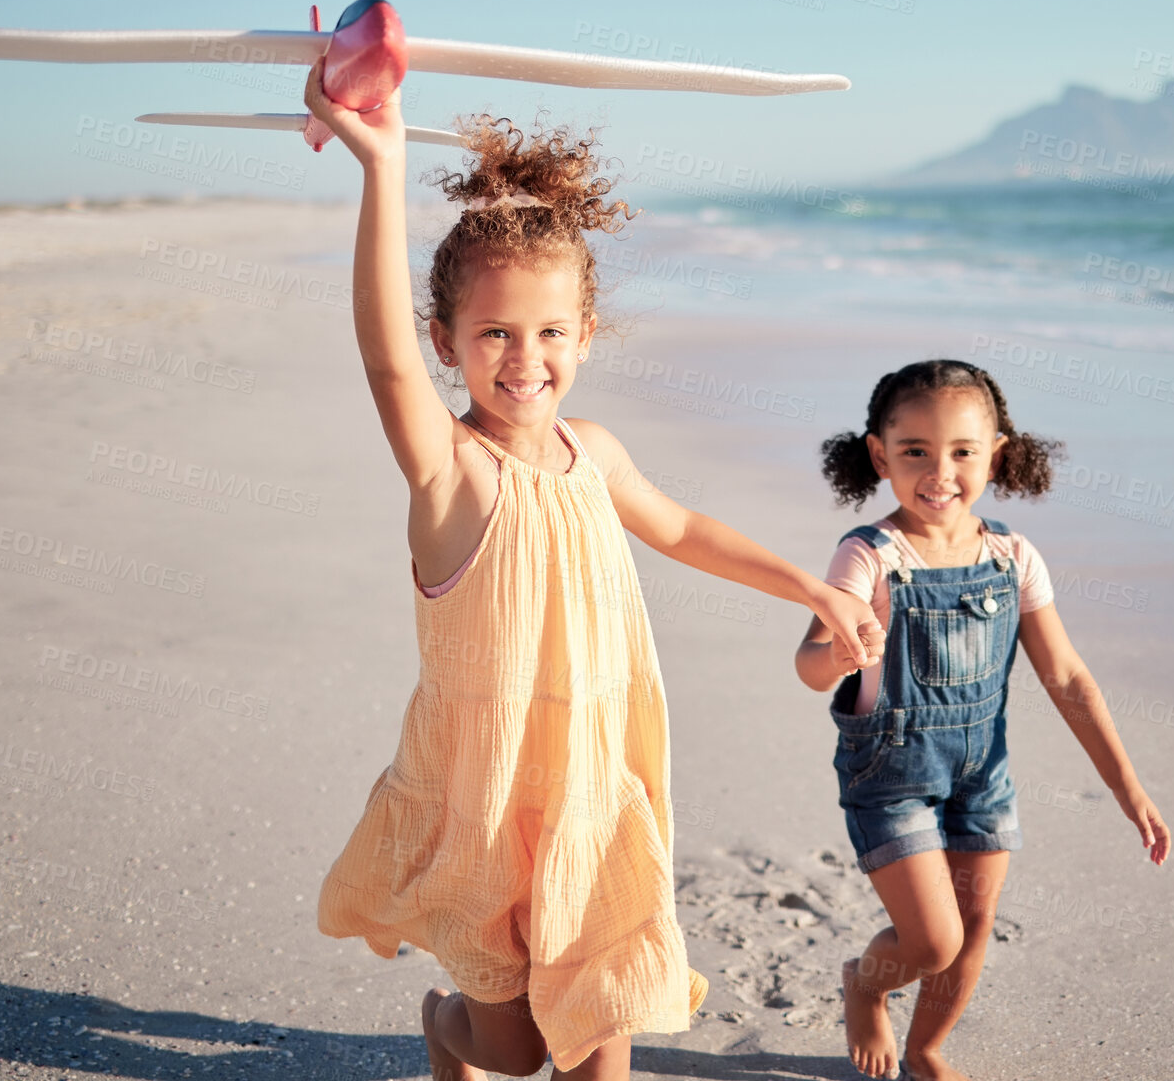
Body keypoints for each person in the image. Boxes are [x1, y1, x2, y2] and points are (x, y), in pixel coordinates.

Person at [302, 57, 887, 1080]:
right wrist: (378, 167)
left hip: (593, 782)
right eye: (492, 334)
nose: (523, 359)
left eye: (548, 332)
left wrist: (810, 585)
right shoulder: (453, 476)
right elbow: (380, 359)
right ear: (445, 338)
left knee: (598, 1036)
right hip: (485, 800)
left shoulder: (595, 453)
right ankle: (446, 1027)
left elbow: (681, 527)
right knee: (513, 1050)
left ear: (585, 334)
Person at [794, 359, 1170, 1081]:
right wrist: (843, 651)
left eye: (964, 451)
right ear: (880, 454)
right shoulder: (867, 554)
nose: (942, 472)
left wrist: (1129, 789)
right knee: (930, 943)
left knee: (971, 934)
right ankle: (866, 982)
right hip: (891, 776)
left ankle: (926, 1047)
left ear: (997, 451)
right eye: (915, 452)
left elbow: (1066, 677)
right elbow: (810, 666)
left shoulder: (1013, 555)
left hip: (981, 776)